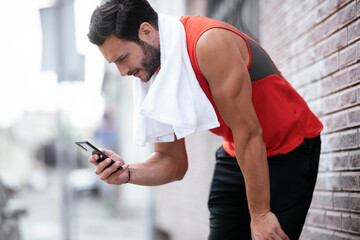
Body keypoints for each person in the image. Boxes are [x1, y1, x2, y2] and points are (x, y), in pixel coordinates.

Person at [86, 0, 323, 239]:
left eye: (122, 58)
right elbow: (173, 162)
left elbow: (249, 133)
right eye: (114, 63)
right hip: (237, 154)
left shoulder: (208, 43)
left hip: (288, 149)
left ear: (146, 32)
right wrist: (125, 173)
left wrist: (260, 215)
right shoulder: (155, 70)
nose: (122, 71)